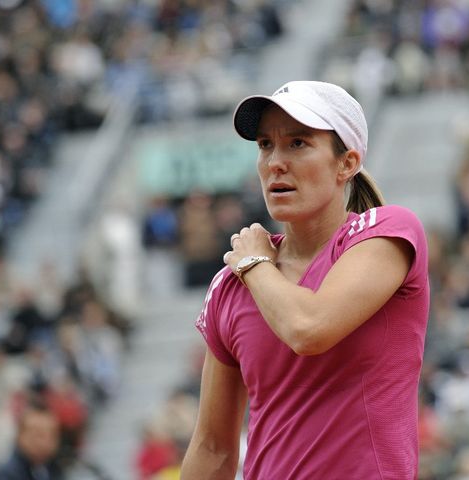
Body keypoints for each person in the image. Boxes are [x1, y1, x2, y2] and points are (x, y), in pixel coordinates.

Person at [180, 80, 430, 479]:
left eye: (297, 143)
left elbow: (308, 328)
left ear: (347, 164)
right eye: (265, 145)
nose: (275, 162)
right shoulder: (231, 284)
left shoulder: (388, 231)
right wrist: (253, 265)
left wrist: (256, 264)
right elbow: (212, 448)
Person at [0, 399, 64, 480]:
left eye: (52, 435)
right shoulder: (4, 475)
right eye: (38, 435)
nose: (45, 443)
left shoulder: (54, 471)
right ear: (20, 435)